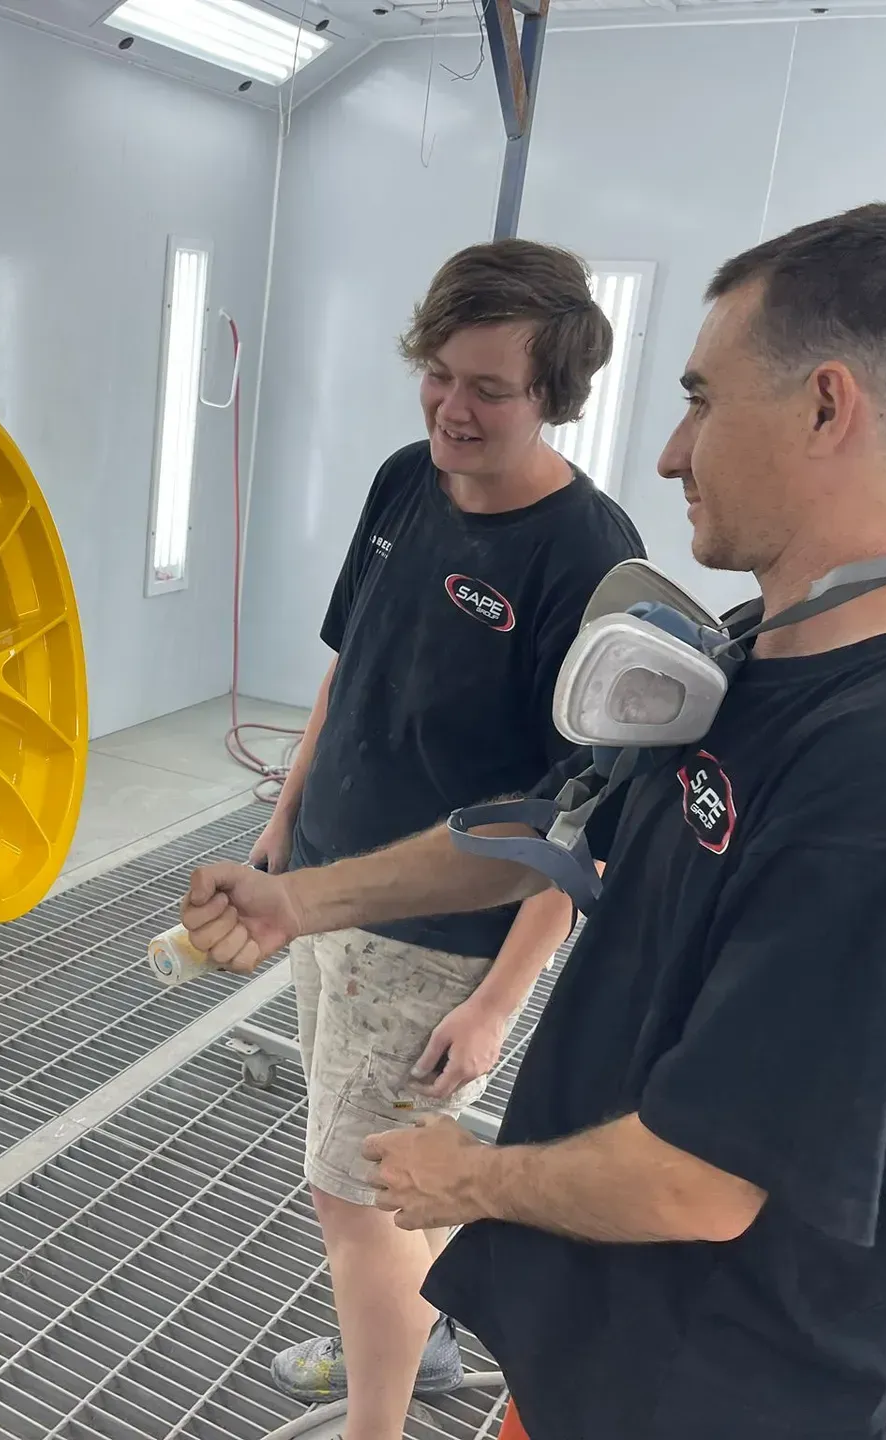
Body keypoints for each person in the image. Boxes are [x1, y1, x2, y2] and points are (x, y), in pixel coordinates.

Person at [185, 203, 886, 1440]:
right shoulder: (761, 654)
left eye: (702, 400)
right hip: (594, 1338)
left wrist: (467, 1179)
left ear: (826, 407)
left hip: (709, 1388)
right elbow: (547, 828)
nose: (670, 452)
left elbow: (703, 1179)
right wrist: (296, 896)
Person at [254, 240, 643, 1440]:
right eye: (439, 374)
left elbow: (582, 823)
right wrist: (281, 833)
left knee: (355, 1202)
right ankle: (410, 1354)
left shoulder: (589, 559)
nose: (453, 409)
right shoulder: (402, 480)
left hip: (437, 944)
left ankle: (377, 1423)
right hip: (328, 897)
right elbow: (347, 671)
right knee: (372, 1187)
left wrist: (497, 1002)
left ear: (555, 396)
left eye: (490, 389)